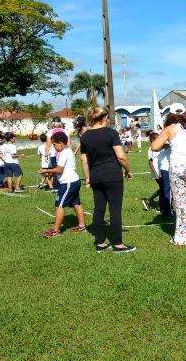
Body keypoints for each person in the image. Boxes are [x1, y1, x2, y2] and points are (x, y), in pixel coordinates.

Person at [80, 107, 136, 253]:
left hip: (96, 176)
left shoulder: (85, 136)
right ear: (105, 118)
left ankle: (100, 243)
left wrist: (87, 177)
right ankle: (118, 244)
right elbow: (121, 156)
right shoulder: (111, 133)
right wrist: (129, 170)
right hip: (112, 176)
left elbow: (84, 160)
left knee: (98, 210)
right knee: (115, 210)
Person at [151, 111, 186, 246]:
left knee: (180, 204)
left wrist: (168, 143)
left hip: (178, 169)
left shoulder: (170, 128)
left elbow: (154, 146)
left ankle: (181, 238)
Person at [38, 132, 87, 238]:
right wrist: (50, 172)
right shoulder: (68, 151)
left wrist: (45, 170)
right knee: (76, 203)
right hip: (74, 181)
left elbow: (60, 169)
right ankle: (82, 226)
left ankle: (56, 231)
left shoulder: (64, 153)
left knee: (59, 205)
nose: (54, 147)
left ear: (60, 143)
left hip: (68, 183)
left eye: (54, 145)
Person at [142, 131, 161, 212]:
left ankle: (160, 205)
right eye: (158, 139)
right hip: (156, 172)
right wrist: (156, 174)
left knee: (164, 188)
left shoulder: (158, 147)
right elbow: (150, 161)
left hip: (160, 171)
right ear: (153, 140)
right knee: (164, 188)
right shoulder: (151, 149)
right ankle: (149, 201)